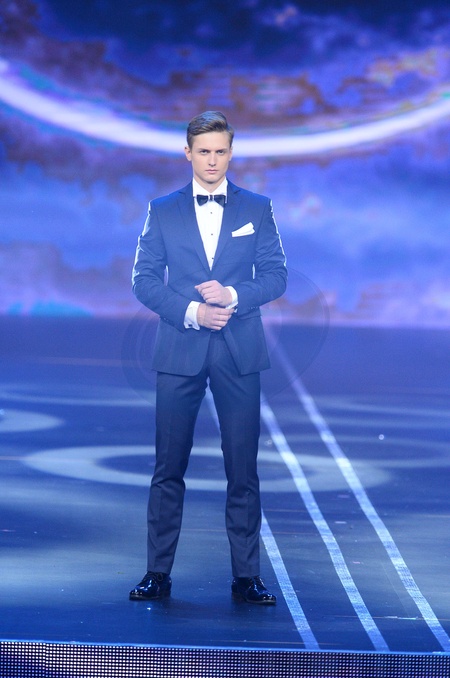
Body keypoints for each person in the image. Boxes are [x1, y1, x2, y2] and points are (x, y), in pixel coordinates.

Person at [129, 111, 287, 605]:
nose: (212, 160)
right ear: (188, 154)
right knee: (168, 465)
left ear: (231, 153)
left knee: (243, 468)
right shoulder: (162, 210)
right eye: (204, 152)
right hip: (180, 347)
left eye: (220, 151)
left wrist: (234, 295)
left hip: (240, 351)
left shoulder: (258, 208)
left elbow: (277, 276)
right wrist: (194, 311)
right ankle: (157, 573)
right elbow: (144, 280)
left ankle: (246, 576)